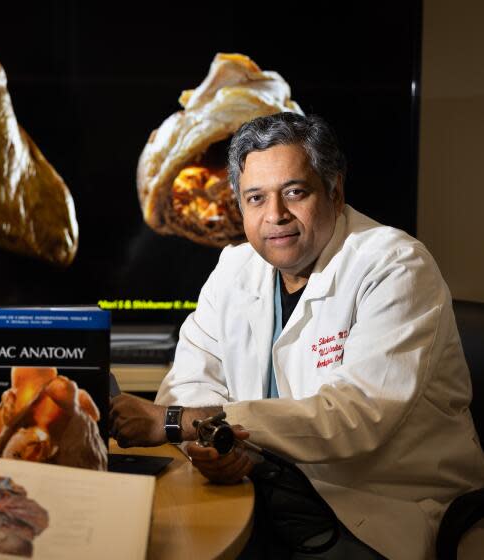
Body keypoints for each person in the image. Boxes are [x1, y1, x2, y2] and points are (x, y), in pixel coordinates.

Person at [109, 112, 484, 559]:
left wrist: (177, 422)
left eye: (294, 192)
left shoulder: (395, 266)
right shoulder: (234, 268)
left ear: (335, 190)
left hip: (374, 510)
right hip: (260, 490)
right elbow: (190, 380)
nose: (276, 216)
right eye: (255, 198)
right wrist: (210, 445)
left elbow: (353, 418)